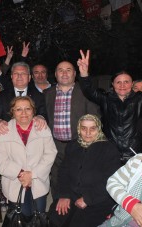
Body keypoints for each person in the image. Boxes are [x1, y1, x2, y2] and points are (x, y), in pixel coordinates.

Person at [77, 40, 142, 163]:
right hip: (110, 153)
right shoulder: (106, 100)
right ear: (112, 84)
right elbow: (89, 91)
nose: (122, 85)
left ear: (132, 84)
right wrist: (83, 73)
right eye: (118, 82)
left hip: (135, 154)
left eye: (126, 82)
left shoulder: (140, 99)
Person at [49, 114, 121, 227]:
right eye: (84, 128)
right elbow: (64, 172)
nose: (88, 133)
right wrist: (64, 195)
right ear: (78, 128)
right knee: (56, 217)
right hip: (72, 195)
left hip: (97, 199)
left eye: (92, 128)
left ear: (99, 129)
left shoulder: (109, 149)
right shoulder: (72, 146)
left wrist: (88, 199)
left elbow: (111, 180)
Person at [43, 60, 100, 199]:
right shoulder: (47, 93)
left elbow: (95, 117)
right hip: (55, 145)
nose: (64, 73)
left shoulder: (86, 92)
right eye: (60, 70)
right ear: (55, 74)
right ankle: (58, 208)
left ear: (75, 74)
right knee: (57, 178)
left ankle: (77, 212)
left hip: (79, 144)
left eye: (68, 69)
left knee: (79, 178)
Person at [0, 96, 57, 218]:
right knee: (20, 217)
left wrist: (32, 174)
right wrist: (21, 173)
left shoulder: (43, 128)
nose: (23, 113)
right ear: (12, 112)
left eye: (27, 108)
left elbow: (50, 154)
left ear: (33, 111)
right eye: (18, 109)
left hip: (38, 180)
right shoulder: (4, 130)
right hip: (15, 181)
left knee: (38, 216)